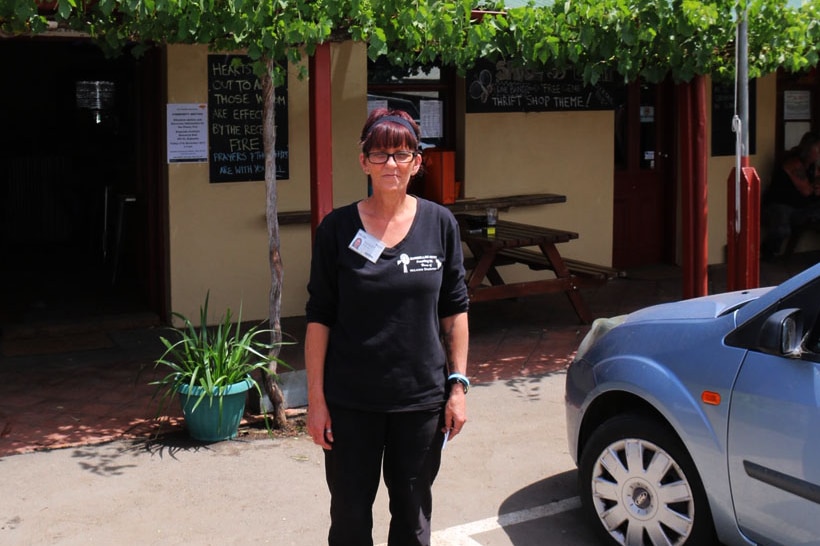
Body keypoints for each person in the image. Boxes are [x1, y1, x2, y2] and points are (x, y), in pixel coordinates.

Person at [304, 108, 470, 546]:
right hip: (351, 403)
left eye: (402, 154)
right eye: (380, 154)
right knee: (350, 518)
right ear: (364, 162)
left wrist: (458, 389)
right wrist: (316, 401)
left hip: (420, 402)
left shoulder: (441, 224)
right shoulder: (337, 229)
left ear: (418, 162)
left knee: (413, 518)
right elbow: (319, 317)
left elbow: (455, 311)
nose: (391, 164)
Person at [761, 131, 820, 259]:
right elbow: (807, 191)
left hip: (801, 206)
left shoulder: (811, 165)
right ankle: (768, 252)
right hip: (780, 205)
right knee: (782, 230)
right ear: (809, 148)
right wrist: (816, 188)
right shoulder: (794, 163)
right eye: (818, 149)